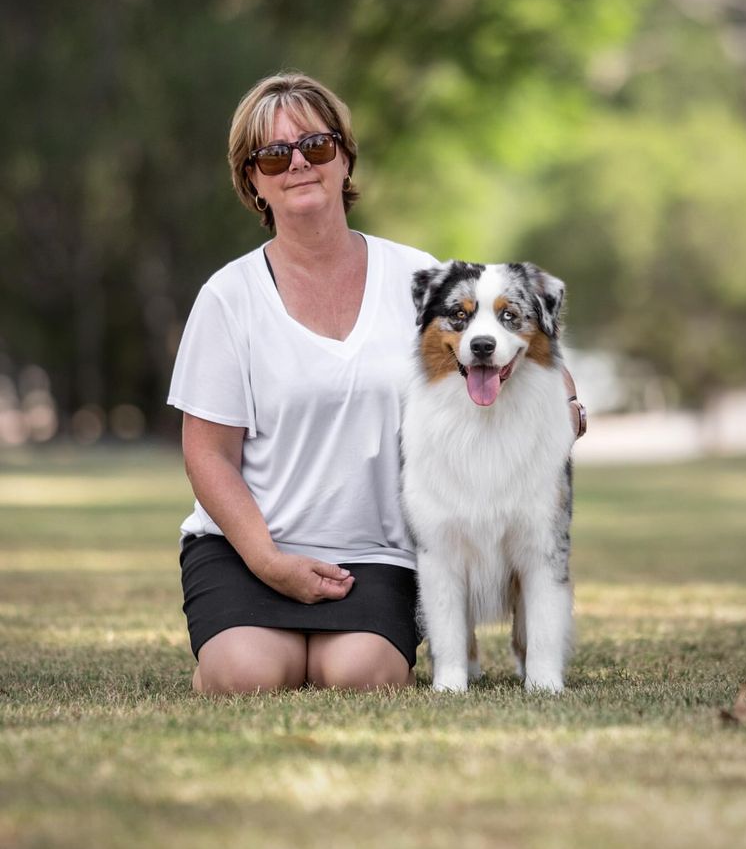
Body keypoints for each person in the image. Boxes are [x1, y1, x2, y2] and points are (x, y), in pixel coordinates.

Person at [168, 71, 586, 695]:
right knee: (246, 676)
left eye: (315, 146)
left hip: (376, 553)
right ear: (252, 181)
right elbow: (207, 455)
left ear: (343, 157)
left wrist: (567, 405)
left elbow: (513, 336)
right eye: (274, 155)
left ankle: (324, 645)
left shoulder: (415, 275)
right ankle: (263, 641)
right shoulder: (228, 297)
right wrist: (269, 561)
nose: (298, 166)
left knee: (362, 675)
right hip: (248, 549)